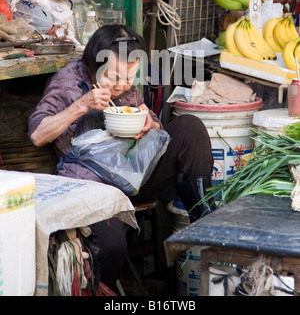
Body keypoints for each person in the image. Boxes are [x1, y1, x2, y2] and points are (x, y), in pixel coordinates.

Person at [28, 24, 214, 292]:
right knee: (112, 247)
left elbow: (148, 118)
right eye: (113, 78)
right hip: (94, 186)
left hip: (134, 173)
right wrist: (81, 106)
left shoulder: (123, 80)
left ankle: (202, 219)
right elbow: (37, 134)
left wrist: (151, 124)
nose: (123, 85)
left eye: (129, 77)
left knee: (189, 127)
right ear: (94, 65)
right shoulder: (68, 82)